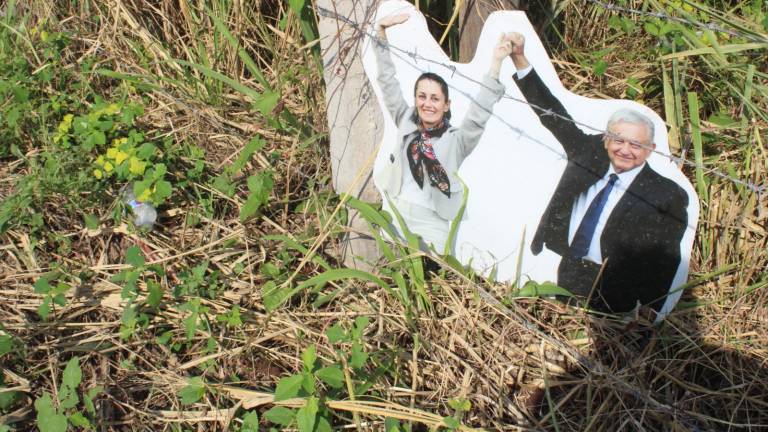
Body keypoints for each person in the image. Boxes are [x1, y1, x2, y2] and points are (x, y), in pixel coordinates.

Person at [507, 32, 689, 314]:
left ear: (651, 148)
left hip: (617, 287)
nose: (625, 150)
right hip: (569, 268)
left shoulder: (665, 194)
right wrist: (518, 57)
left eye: (636, 144)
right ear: (606, 140)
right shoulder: (590, 152)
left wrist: (649, 310)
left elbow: (665, 260)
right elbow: (553, 115)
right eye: (618, 140)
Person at [373, 13, 511, 254]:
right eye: (422, 97)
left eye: (435, 98)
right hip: (396, 210)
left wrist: (496, 64)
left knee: (433, 276)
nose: (428, 104)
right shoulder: (405, 119)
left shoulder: (457, 140)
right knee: (392, 273)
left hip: (432, 220)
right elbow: (387, 82)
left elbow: (478, 115)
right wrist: (381, 36)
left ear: (447, 105)